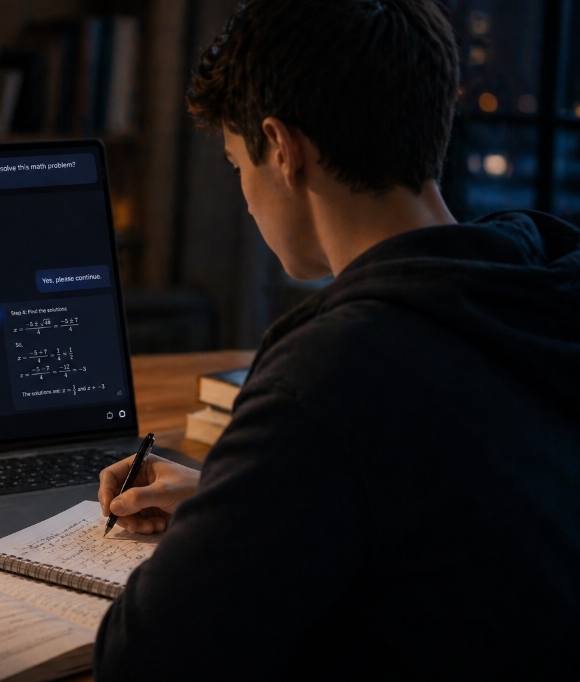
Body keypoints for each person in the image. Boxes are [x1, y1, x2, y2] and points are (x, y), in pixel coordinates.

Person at [94, 0, 580, 678]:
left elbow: (144, 660)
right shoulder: (537, 285)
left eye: (238, 164)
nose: (245, 192)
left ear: (284, 150)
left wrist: (234, 516)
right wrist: (230, 501)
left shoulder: (330, 373)